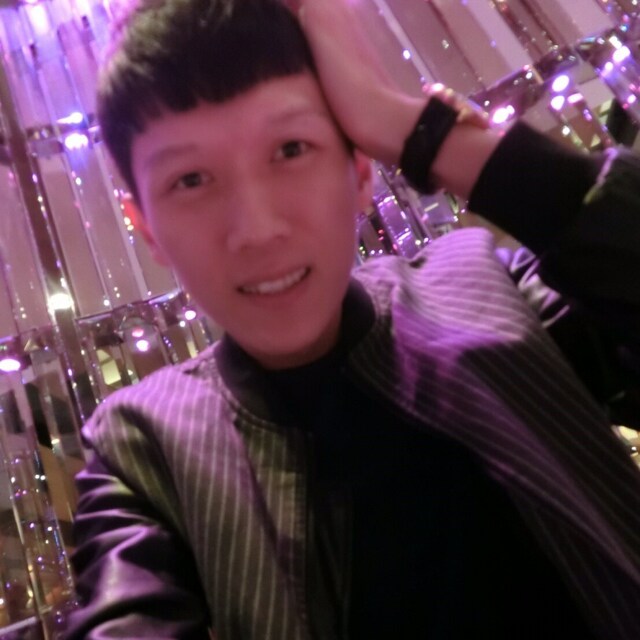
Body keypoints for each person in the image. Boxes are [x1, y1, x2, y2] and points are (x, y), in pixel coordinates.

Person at [65, 0, 640, 638]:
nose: (257, 229)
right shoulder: (139, 450)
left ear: (361, 171)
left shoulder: (492, 290)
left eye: (291, 148)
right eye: (192, 180)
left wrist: (421, 133)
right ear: (147, 229)